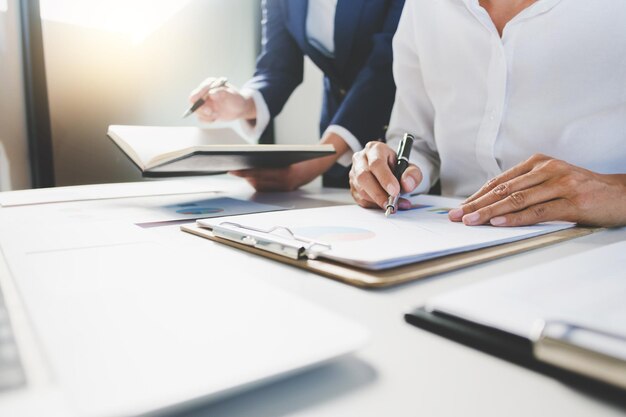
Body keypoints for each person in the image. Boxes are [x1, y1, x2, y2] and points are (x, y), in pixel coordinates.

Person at [350, 0, 626, 227]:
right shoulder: (424, 7)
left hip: (597, 247)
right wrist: (386, 170)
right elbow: (417, 141)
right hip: (456, 240)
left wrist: (618, 193)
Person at [189, 0, 405, 191]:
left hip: (399, 125)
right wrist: (244, 103)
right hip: (335, 131)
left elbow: (385, 65)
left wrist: (314, 162)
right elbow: (279, 67)